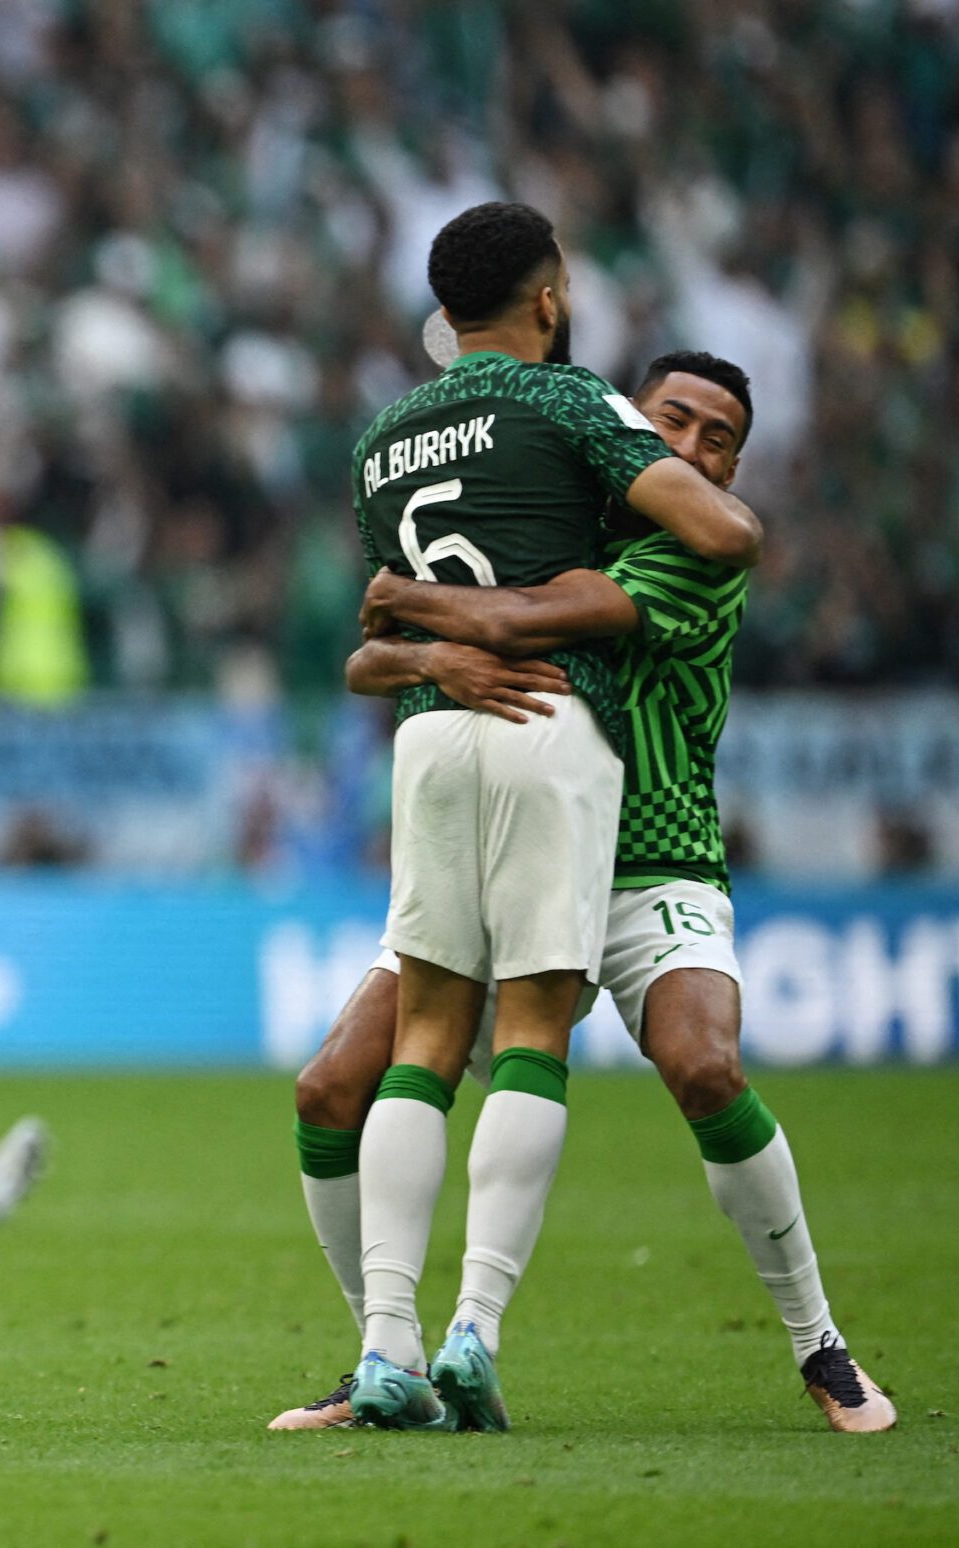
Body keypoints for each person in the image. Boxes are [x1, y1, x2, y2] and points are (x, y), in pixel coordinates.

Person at [270, 350, 894, 1434]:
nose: (695, 451)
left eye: (720, 441)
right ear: (630, 428)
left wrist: (415, 609)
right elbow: (365, 665)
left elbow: (515, 623)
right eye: (676, 424)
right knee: (329, 1087)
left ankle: (819, 1345)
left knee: (705, 1065)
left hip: (648, 854)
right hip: (508, 843)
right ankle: (386, 1352)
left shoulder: (696, 554)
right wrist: (430, 660)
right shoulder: (562, 517)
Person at [342, 203, 764, 1432]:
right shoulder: (570, 401)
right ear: (548, 297)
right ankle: (472, 1329)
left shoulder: (380, 439)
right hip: (549, 721)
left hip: (426, 738)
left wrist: (435, 648)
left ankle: (383, 1349)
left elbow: (381, 636)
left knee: (422, 1040)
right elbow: (721, 530)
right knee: (531, 1032)